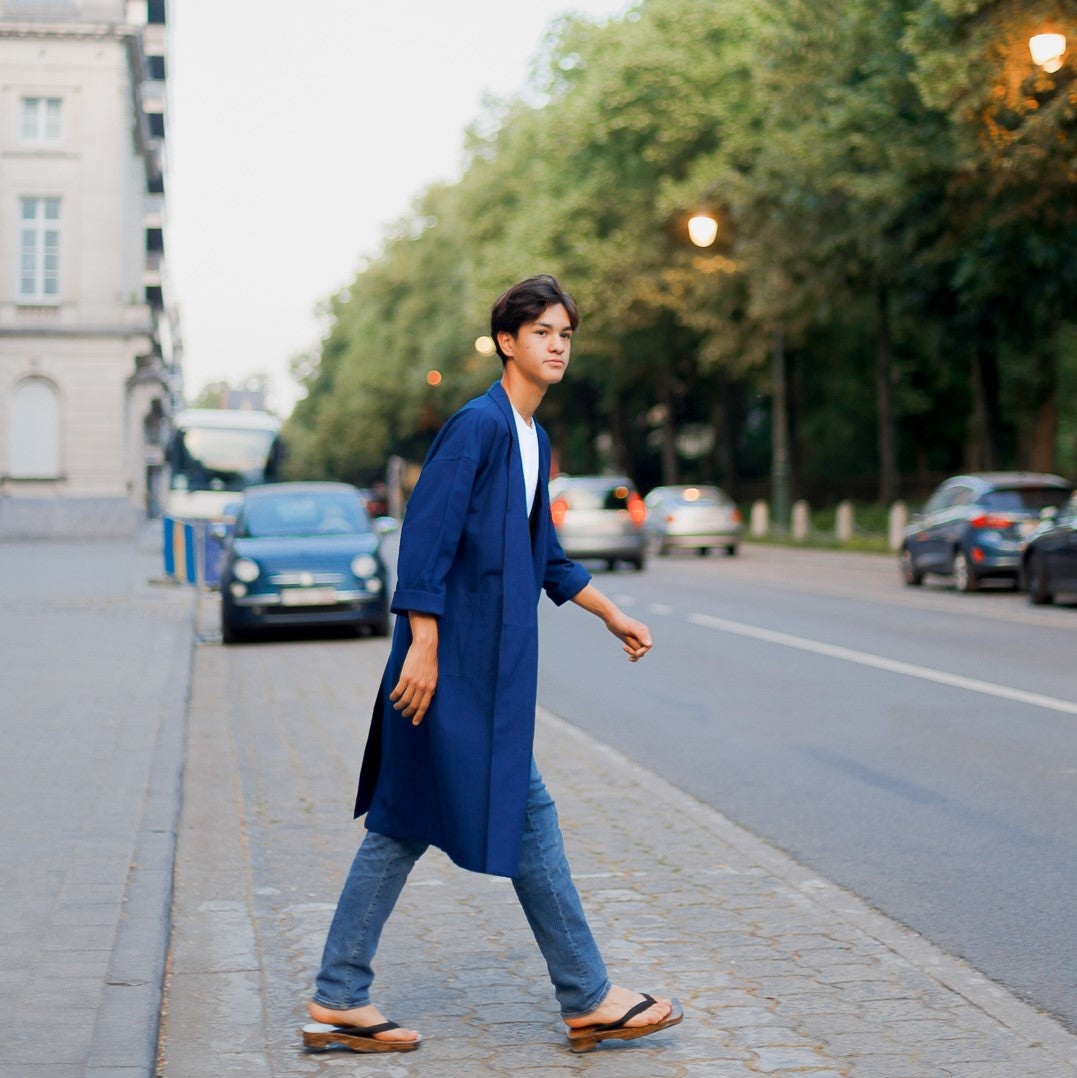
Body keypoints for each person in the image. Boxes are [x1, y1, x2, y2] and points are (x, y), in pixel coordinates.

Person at [301, 274, 683, 1054]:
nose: (556, 346)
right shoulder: (476, 426)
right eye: (542, 332)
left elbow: (544, 555)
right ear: (506, 342)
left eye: (565, 335)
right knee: (513, 814)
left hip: (486, 671)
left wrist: (610, 613)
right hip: (447, 670)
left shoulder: (532, 439)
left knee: (405, 823)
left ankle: (340, 992)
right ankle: (586, 995)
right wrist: (424, 647)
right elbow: (425, 535)